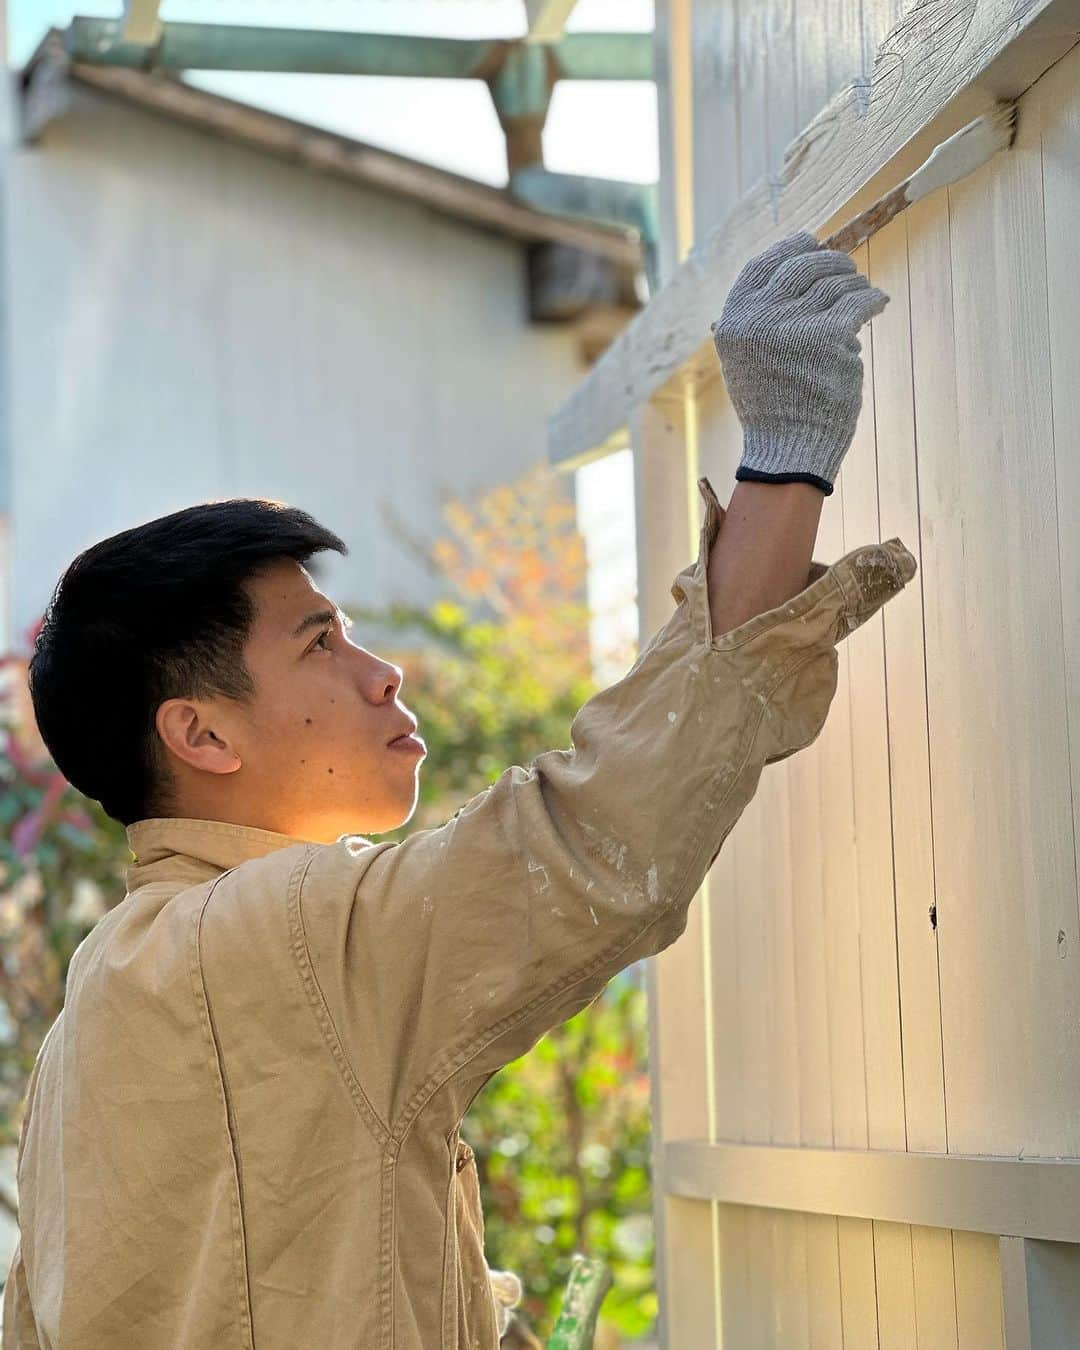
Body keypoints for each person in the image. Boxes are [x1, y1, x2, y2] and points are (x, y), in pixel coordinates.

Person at [3, 230, 915, 1349]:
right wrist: (785, 461)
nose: (381, 671)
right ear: (200, 732)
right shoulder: (278, 942)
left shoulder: (101, 1002)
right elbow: (590, 833)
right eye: (321, 641)